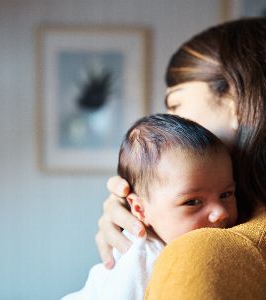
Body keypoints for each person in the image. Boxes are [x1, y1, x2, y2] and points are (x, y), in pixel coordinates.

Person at [96, 17, 266, 299]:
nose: (174, 124)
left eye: (176, 104)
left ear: (236, 101)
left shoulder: (202, 253)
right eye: (192, 201)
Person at [62, 114, 237, 300]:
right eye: (192, 202)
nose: (221, 212)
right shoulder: (143, 258)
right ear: (140, 210)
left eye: (226, 195)